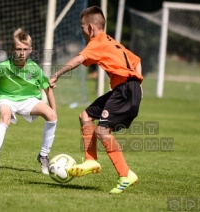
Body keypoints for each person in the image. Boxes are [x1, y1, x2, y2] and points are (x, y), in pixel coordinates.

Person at [49, 6, 143, 194]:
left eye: (82, 27)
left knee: (102, 130)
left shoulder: (97, 41)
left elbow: (78, 59)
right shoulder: (111, 42)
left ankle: (126, 174)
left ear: (91, 28)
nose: (82, 31)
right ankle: (91, 160)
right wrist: (138, 85)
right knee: (85, 116)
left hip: (124, 90)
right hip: (126, 89)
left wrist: (57, 74)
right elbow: (137, 60)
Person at [0, 28, 57, 174]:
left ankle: (44, 155)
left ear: (30, 50)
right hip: (6, 98)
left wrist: (54, 111)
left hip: (29, 100)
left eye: (25, 49)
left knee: (51, 116)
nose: (22, 52)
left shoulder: (34, 68)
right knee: (4, 117)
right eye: (18, 49)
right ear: (12, 49)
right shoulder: (3, 66)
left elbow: (47, 89)